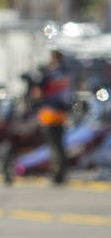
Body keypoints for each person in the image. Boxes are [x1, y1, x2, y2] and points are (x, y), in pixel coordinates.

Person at [31, 49, 74, 184]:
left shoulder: (49, 73)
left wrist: (37, 99)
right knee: (59, 145)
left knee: (53, 145)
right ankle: (62, 171)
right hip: (62, 113)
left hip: (50, 113)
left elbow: (38, 93)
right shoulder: (67, 73)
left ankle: (57, 173)